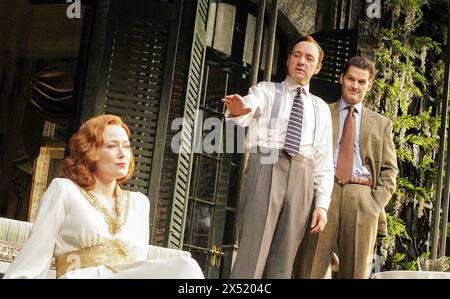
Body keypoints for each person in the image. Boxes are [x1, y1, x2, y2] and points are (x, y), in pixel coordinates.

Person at [3, 115, 204, 279]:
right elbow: (34, 256)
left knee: (186, 268)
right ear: (90, 151)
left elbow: (138, 265)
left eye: (126, 146)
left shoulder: (139, 203)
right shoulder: (64, 190)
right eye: (111, 146)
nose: (122, 153)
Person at [222, 36, 334, 278]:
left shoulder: (321, 108)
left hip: (303, 176)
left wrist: (322, 205)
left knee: (284, 262)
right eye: (297, 55)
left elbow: (324, 161)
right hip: (266, 166)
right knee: (252, 252)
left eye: (309, 58)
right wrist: (240, 109)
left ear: (317, 67)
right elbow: (249, 105)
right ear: (288, 60)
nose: (301, 61)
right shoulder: (267, 90)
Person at [295, 56, 398, 279]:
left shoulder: (381, 123)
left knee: (356, 274)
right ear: (342, 79)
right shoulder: (322, 111)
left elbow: (390, 171)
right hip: (324, 192)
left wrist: (375, 203)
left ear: (369, 85)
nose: (355, 85)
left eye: (362, 82)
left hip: (362, 198)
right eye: (351, 79)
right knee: (308, 268)